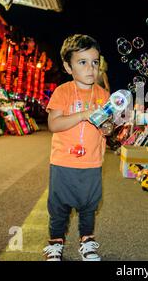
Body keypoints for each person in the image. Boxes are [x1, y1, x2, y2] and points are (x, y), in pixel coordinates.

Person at [43, 34, 110, 261]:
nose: (91, 68)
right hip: (63, 162)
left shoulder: (103, 96)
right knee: (59, 207)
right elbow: (54, 123)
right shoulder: (62, 92)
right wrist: (83, 115)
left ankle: (87, 242)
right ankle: (55, 243)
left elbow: (107, 129)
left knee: (89, 206)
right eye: (82, 62)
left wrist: (109, 127)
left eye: (95, 62)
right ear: (68, 66)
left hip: (92, 162)